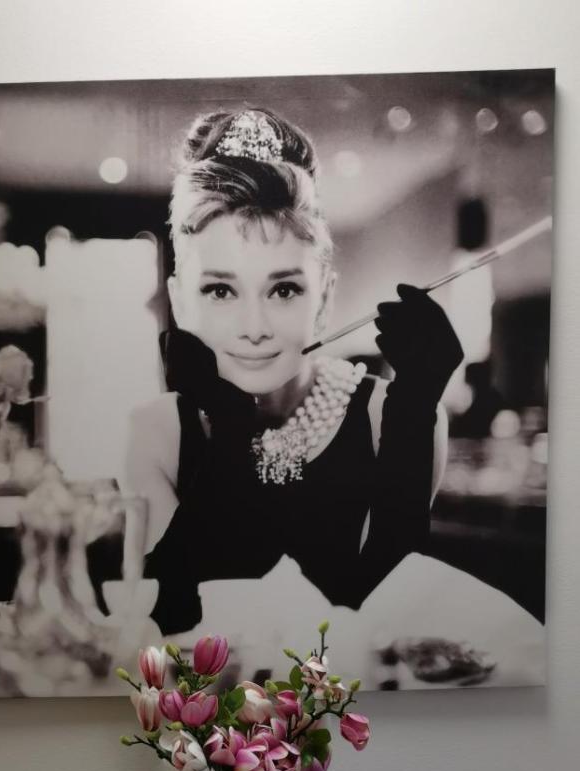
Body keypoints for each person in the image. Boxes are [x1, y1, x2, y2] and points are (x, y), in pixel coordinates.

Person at [119, 105, 463, 648]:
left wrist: (413, 416)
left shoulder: (393, 418)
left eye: (283, 289)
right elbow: (182, 621)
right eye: (220, 290)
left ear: (323, 300)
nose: (255, 328)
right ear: (180, 302)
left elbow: (390, 623)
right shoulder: (155, 433)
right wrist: (229, 429)